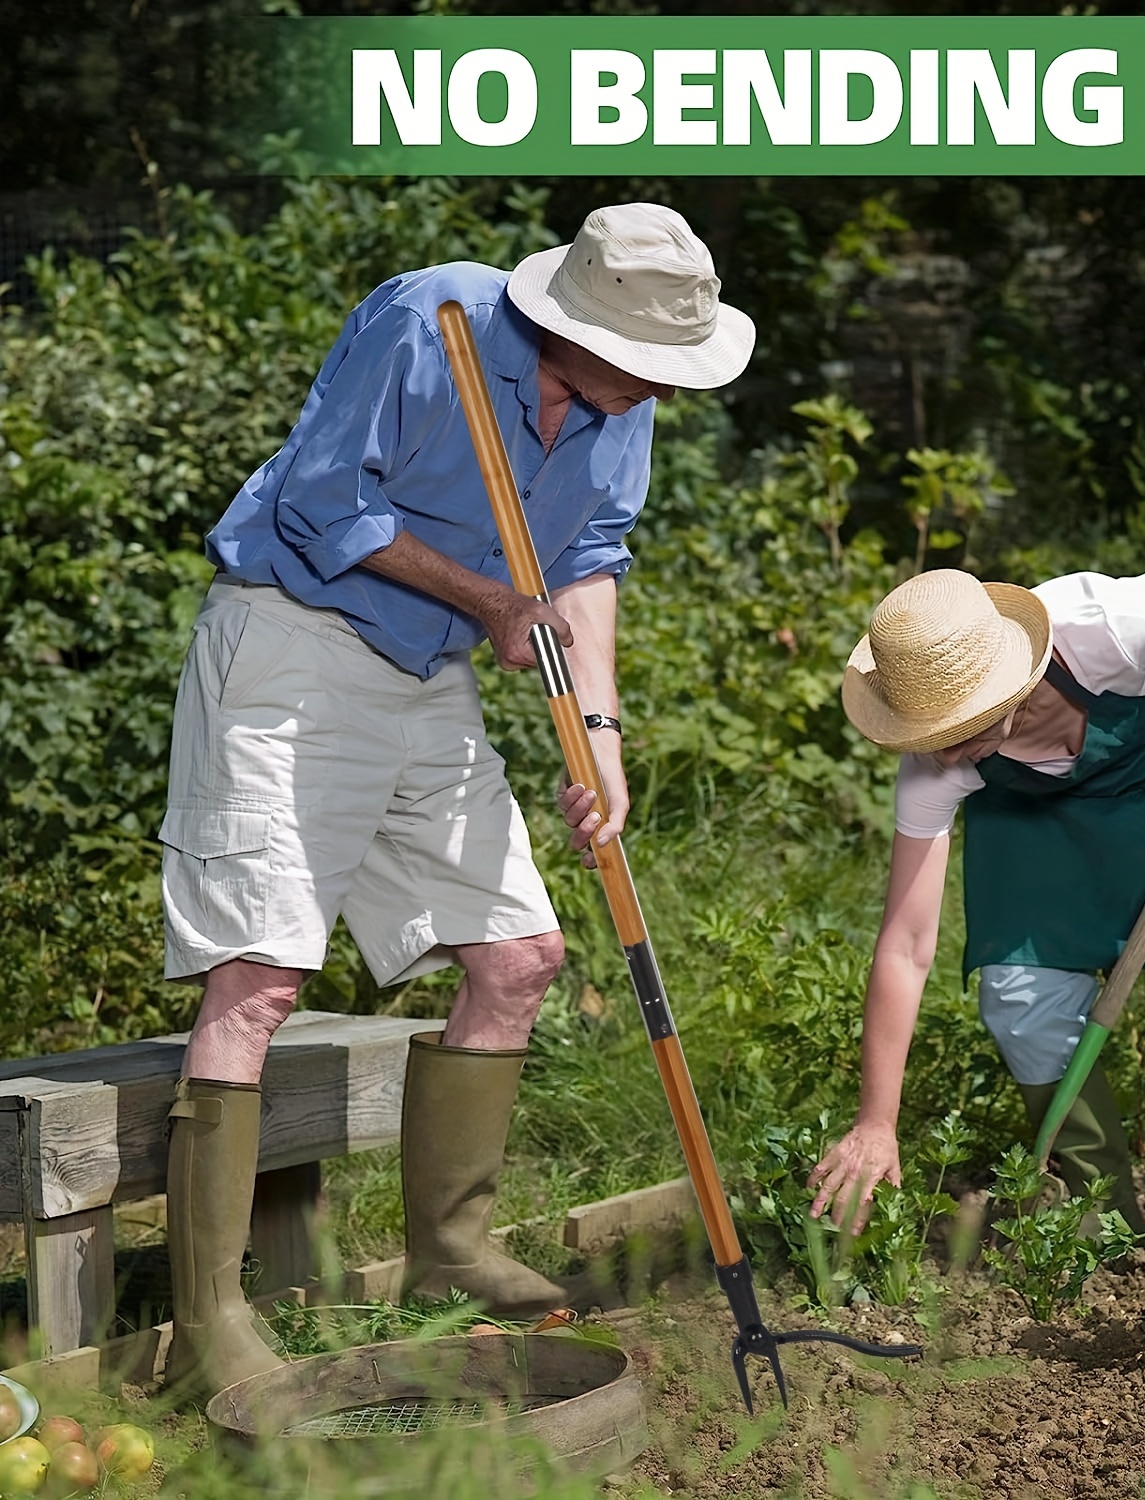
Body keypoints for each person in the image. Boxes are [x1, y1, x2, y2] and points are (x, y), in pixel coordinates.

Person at [158, 203, 755, 1395]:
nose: (660, 394)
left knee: (522, 956)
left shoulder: (623, 408)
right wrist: (486, 597)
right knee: (260, 978)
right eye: (645, 368)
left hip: (427, 677)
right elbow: (323, 506)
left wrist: (600, 732)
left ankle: (450, 1249)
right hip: (290, 649)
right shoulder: (429, 321)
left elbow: (590, 563)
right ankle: (207, 1322)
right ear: (568, 326)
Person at [807, 537, 1145, 1235]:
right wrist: (875, 1122)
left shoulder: (1107, 624)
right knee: (1018, 990)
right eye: (926, 733)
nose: (943, 752)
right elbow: (907, 945)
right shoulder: (938, 767)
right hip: (1046, 809)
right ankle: (1104, 1233)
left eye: (960, 726)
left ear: (1009, 681)